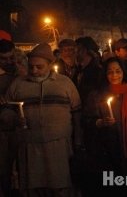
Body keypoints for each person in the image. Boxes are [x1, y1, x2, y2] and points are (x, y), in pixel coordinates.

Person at [5, 43, 82, 197]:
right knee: (33, 189)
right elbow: (7, 110)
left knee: (59, 187)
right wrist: (13, 119)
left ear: (50, 64)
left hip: (58, 147)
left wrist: (78, 139)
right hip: (29, 147)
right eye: (31, 66)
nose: (34, 71)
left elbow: (77, 112)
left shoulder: (65, 83)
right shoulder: (18, 84)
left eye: (39, 67)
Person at [82, 57, 127, 196]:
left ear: (124, 72)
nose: (114, 75)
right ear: (105, 74)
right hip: (108, 147)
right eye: (110, 72)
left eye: (118, 71)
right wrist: (100, 122)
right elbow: (87, 120)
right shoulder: (97, 94)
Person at [0, 39, 18, 197]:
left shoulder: (20, 73)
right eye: (4, 59)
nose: (9, 62)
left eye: (11, 57)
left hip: (18, 129)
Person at [74, 36, 103, 106]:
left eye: (78, 50)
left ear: (85, 50)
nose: (75, 53)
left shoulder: (97, 72)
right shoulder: (78, 70)